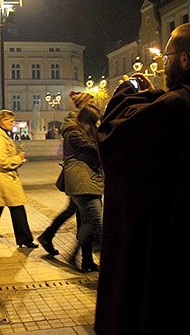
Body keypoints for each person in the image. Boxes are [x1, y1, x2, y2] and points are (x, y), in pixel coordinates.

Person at [95, 23, 190, 333]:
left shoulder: (179, 105)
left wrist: (130, 90)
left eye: (168, 55)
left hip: (169, 245)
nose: (163, 63)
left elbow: (114, 135)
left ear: (186, 59)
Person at [37, 91, 94, 256]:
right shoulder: (76, 123)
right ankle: (83, 254)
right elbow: (83, 145)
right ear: (84, 105)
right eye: (90, 103)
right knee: (84, 215)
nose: (93, 106)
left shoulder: (84, 121)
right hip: (80, 174)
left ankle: (49, 236)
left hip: (84, 174)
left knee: (73, 210)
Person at [61, 104, 103, 272]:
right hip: (81, 183)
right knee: (96, 222)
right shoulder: (74, 134)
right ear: (87, 121)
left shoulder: (83, 132)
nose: (97, 125)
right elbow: (92, 148)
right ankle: (75, 254)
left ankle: (86, 260)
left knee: (88, 223)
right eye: (95, 122)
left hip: (90, 183)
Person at [0, 109, 37, 248]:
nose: (12, 124)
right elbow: (2, 160)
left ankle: (25, 239)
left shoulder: (4, 135)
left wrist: (17, 161)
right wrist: (18, 158)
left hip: (7, 178)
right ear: (3, 121)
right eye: (10, 121)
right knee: (10, 208)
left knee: (13, 208)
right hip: (4, 178)